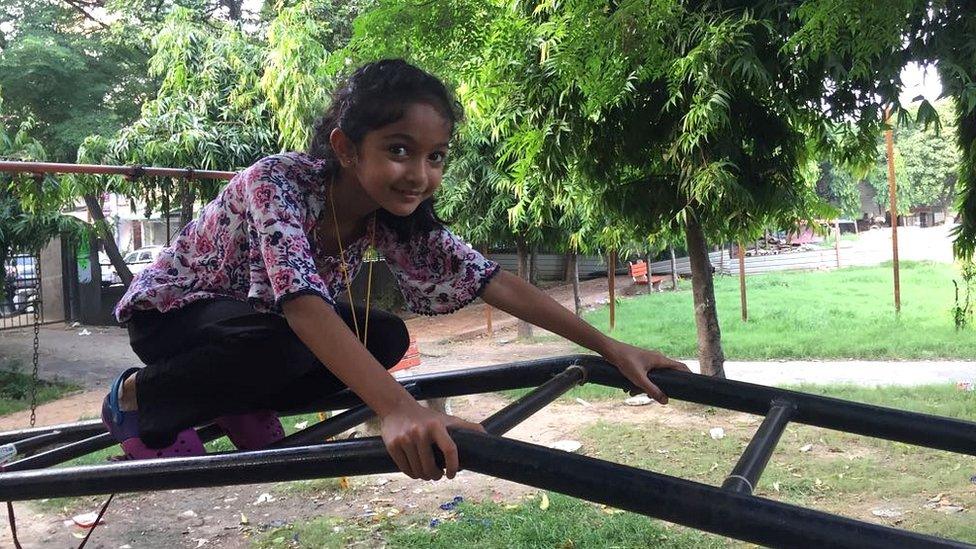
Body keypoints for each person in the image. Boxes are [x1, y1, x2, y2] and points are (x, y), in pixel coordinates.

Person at [103, 59, 688, 482]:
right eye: (399, 149)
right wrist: (397, 408)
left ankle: (235, 399)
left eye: (435, 156)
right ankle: (133, 396)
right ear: (346, 147)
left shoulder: (390, 217)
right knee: (290, 343)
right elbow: (303, 306)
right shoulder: (277, 183)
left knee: (385, 336)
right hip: (173, 321)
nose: (419, 174)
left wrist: (612, 348)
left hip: (252, 336)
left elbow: (495, 281)